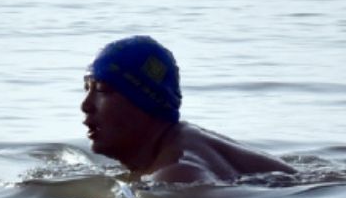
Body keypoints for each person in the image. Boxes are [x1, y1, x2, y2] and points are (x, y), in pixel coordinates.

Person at [81, 35, 295, 183]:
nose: (86, 105)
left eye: (102, 90)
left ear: (144, 100)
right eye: (86, 88)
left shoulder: (178, 173)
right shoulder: (181, 142)